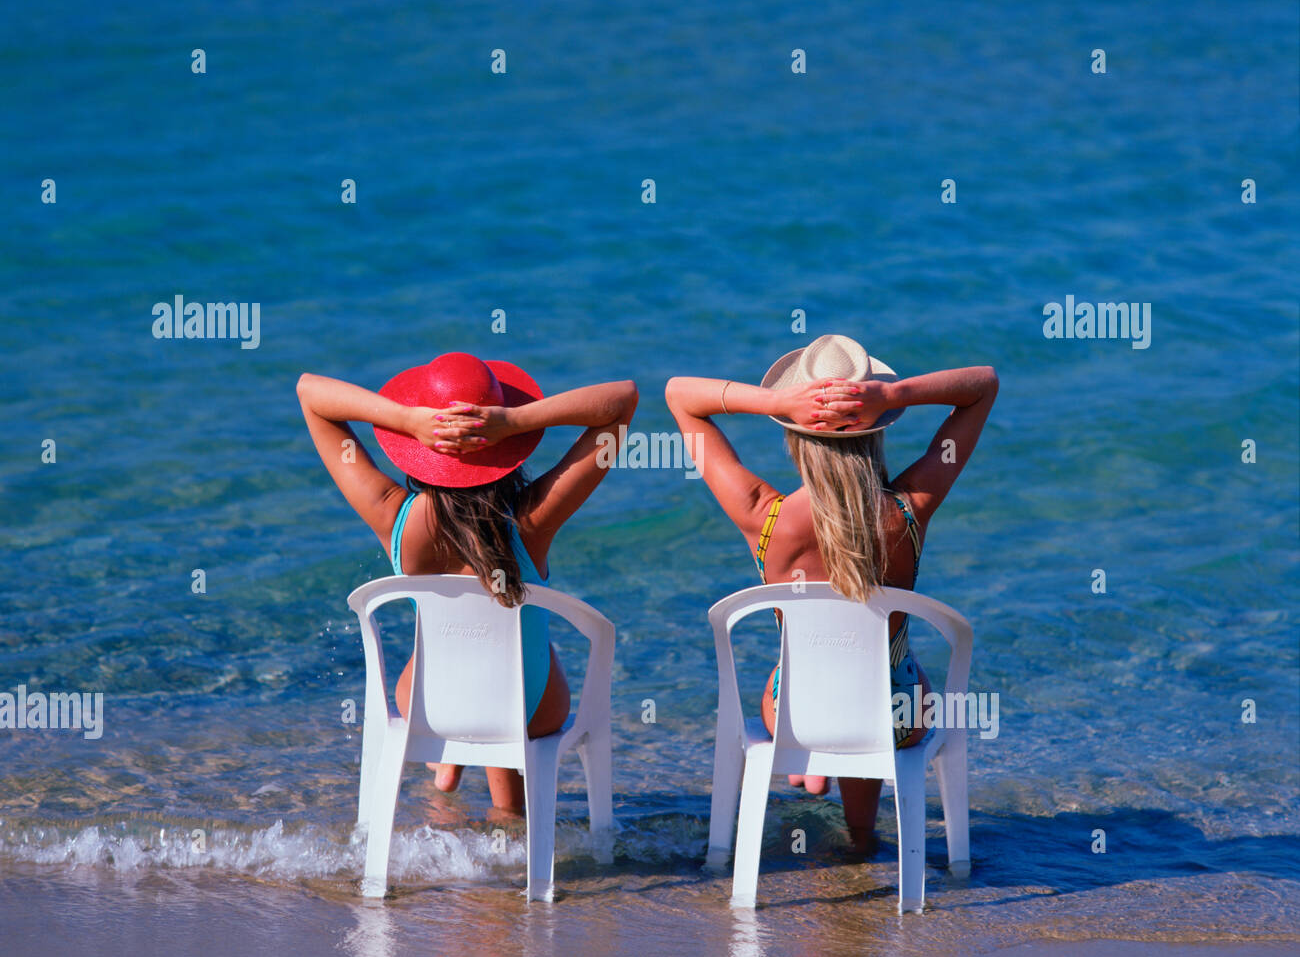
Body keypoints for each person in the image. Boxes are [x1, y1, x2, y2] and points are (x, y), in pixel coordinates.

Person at [665, 334, 997, 854]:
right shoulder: (910, 509)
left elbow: (680, 396)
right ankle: (861, 835)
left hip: (799, 712)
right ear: (878, 433)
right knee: (893, 673)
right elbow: (983, 386)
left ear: (795, 437)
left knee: (803, 676)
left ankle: (812, 767)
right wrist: (893, 395)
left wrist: (775, 402)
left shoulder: (762, 515)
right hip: (893, 717)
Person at [298, 352, 637, 815]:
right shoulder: (533, 519)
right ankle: (510, 816)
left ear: (417, 451)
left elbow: (310, 393)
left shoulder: (392, 516)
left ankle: (450, 764)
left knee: (457, 639)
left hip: (430, 706)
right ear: (510, 450)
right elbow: (622, 402)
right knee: (515, 642)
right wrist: (516, 419)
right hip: (527, 706)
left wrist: (405, 419)